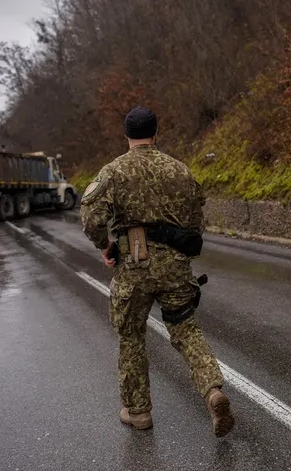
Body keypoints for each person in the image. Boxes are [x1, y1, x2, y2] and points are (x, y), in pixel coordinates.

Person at [80, 106, 234, 437]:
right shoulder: (180, 171)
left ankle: (139, 412)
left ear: (127, 136)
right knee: (185, 329)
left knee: (132, 336)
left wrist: (105, 246)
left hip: (133, 267)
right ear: (156, 133)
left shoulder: (114, 172)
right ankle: (212, 391)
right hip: (176, 268)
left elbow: (91, 218)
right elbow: (196, 225)